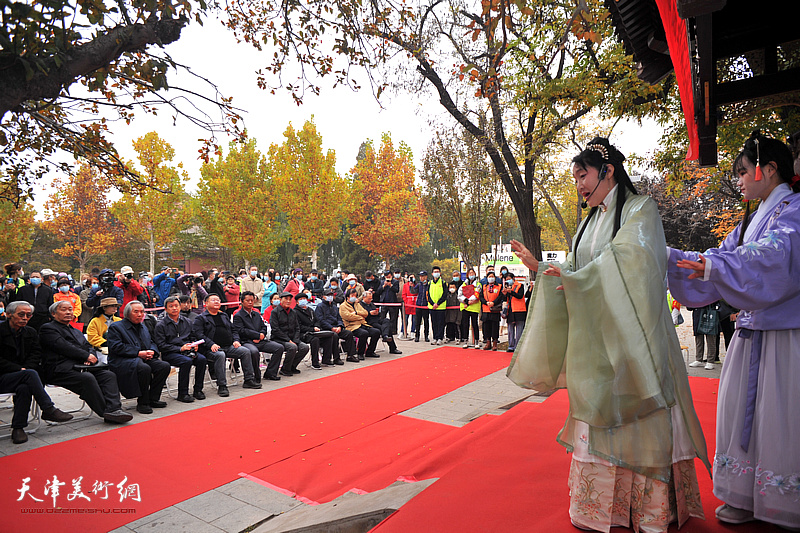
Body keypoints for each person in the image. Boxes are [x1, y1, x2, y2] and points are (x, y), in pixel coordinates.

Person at [508, 137, 709, 532]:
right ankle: (602, 509)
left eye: (583, 174)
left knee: (642, 412)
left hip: (638, 338)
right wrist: (544, 269)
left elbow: (632, 264)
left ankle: (647, 511)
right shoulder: (589, 222)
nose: (579, 184)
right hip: (600, 340)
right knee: (602, 413)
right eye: (575, 177)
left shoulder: (640, 209)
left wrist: (577, 279)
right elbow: (577, 269)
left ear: (607, 170)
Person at [668, 131, 800, 530]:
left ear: (770, 169)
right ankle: (745, 494)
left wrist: (713, 266)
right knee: (740, 415)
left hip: (784, 338)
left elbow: (775, 258)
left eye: (744, 172)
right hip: (749, 337)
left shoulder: (793, 211)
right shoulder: (749, 223)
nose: (740, 180)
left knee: (780, 419)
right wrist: (669, 257)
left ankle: (782, 498)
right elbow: (720, 259)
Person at [39, 301, 132, 424]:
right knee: (87, 378)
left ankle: (114, 408)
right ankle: (105, 411)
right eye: (63, 309)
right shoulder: (48, 328)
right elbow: (63, 346)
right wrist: (85, 356)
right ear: (53, 314)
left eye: (70, 309)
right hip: (60, 369)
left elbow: (88, 346)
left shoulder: (76, 331)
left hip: (82, 365)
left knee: (108, 375)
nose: (68, 312)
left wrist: (91, 355)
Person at [0, 301, 74, 444]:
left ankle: (18, 427)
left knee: (25, 386)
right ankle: (48, 408)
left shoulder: (31, 332)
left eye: (28, 315)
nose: (25, 318)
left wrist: (25, 368)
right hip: (4, 375)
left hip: (23, 375)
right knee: (30, 375)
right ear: (8, 314)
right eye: (21, 315)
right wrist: (19, 369)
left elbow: (36, 354)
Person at [107, 301, 171, 414]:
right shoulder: (116, 327)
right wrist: (138, 353)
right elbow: (116, 347)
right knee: (144, 368)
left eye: (142, 312)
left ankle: (153, 398)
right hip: (123, 360)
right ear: (127, 313)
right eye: (136, 312)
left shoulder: (143, 326)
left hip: (143, 357)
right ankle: (143, 402)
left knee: (164, 366)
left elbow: (151, 341)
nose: (140, 314)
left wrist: (152, 351)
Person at [193, 293, 259, 395]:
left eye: (218, 300)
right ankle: (222, 385)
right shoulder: (201, 318)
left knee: (245, 351)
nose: (216, 302)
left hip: (228, 346)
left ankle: (249, 380)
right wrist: (211, 344)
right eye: (213, 300)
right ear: (206, 303)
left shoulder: (223, 315)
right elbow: (199, 335)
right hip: (210, 349)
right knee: (220, 355)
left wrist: (236, 340)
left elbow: (234, 330)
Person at [155, 295, 208, 402]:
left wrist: (194, 344)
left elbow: (193, 336)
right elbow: (161, 345)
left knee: (202, 359)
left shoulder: (187, 321)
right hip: (171, 352)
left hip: (188, 349)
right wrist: (180, 349)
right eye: (171, 306)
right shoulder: (161, 325)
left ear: (180, 307)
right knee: (186, 361)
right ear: (165, 309)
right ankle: (183, 393)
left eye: (176, 306)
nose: (174, 308)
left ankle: (198, 390)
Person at [233, 291, 284, 382]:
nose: (250, 302)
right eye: (247, 300)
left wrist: (262, 335)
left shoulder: (256, 314)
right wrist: (256, 335)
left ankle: (270, 373)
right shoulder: (238, 316)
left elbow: (263, 326)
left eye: (252, 300)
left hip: (260, 340)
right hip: (247, 341)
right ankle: (255, 375)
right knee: (253, 351)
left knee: (279, 347)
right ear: (241, 301)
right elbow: (241, 330)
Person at [269, 291, 310, 376]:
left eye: (289, 299)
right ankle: (285, 369)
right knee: (292, 347)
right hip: (279, 339)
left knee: (304, 347)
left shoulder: (293, 312)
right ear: (281, 300)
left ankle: (292, 366)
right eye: (286, 299)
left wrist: (295, 339)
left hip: (292, 338)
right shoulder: (275, 312)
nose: (288, 301)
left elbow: (297, 328)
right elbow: (275, 329)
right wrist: (288, 340)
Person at [294, 292, 333, 369]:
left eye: (304, 299)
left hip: (314, 331)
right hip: (304, 333)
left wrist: (317, 326)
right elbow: (299, 326)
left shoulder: (310, 310)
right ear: (297, 302)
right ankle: (315, 362)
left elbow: (317, 320)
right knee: (315, 339)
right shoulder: (295, 312)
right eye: (301, 299)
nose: (303, 301)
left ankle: (326, 360)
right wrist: (312, 329)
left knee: (329, 336)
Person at [339, 288, 380, 359]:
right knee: (364, 333)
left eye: (355, 296)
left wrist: (357, 313)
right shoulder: (343, 306)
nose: (354, 297)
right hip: (352, 326)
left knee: (376, 332)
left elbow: (366, 313)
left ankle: (370, 351)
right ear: (348, 296)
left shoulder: (357, 304)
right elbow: (348, 317)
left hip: (362, 324)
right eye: (352, 295)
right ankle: (360, 353)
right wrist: (360, 317)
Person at [315, 287, 351, 365]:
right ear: (323, 297)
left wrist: (340, 326)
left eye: (331, 295)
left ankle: (351, 355)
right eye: (328, 295)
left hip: (336, 327)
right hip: (326, 328)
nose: (330, 297)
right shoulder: (320, 307)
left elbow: (339, 318)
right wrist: (331, 328)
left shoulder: (335, 307)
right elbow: (321, 320)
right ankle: (336, 358)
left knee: (348, 333)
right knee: (334, 336)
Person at [361, 290, 402, 354]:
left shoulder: (371, 304)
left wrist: (377, 312)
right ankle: (389, 343)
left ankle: (385, 336)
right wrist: (369, 313)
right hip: (369, 321)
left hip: (377, 319)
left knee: (386, 321)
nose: (370, 300)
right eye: (369, 299)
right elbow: (361, 315)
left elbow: (379, 314)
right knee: (385, 329)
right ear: (364, 297)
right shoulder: (360, 305)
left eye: (371, 299)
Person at [688, 302, 720, 370]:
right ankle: (698, 359)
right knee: (698, 338)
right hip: (698, 314)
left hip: (709, 312)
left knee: (711, 339)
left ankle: (710, 360)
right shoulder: (695, 292)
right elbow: (689, 306)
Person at [478, 271, 503, 350]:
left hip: (495, 309)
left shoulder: (499, 286)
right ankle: (488, 342)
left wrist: (493, 303)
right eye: (489, 277)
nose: (491, 278)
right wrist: (486, 302)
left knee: (495, 327)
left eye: (492, 276)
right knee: (486, 327)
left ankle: (495, 343)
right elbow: (481, 296)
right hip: (486, 309)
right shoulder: (484, 286)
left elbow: (500, 296)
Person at [503, 272, 526, 352]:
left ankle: (518, 346)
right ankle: (511, 346)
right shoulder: (506, 287)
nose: (508, 281)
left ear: (513, 279)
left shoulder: (520, 285)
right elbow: (505, 299)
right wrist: (505, 293)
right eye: (506, 280)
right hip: (510, 310)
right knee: (510, 329)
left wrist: (511, 292)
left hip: (519, 310)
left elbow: (519, 295)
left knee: (519, 330)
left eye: (509, 279)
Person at [458, 268, 481, 348]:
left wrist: (471, 301)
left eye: (472, 273)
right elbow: (459, 295)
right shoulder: (464, 284)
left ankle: (477, 341)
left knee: (475, 324)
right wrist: (466, 301)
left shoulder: (478, 284)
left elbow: (477, 294)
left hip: (474, 307)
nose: (471, 275)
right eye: (470, 273)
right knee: (465, 324)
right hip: (465, 307)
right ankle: (465, 340)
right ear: (467, 275)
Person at [426, 266, 447, 345]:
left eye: (438, 271)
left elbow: (445, 294)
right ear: (432, 273)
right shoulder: (429, 283)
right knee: (434, 322)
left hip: (440, 307)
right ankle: (435, 337)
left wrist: (438, 303)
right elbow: (428, 295)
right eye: (435, 272)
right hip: (432, 307)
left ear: (440, 273)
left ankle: (440, 338)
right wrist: (432, 303)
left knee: (441, 322)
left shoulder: (443, 283)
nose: (436, 273)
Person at [375, 270, 400, 336]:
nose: (387, 277)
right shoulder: (382, 282)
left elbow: (397, 290)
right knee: (382, 317)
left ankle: (393, 331)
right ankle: (382, 330)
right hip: (384, 302)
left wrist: (391, 286)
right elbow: (378, 291)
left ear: (391, 275)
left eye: (388, 276)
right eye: (386, 276)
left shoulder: (395, 282)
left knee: (393, 318)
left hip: (392, 302)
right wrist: (383, 286)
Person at [410, 271, 430, 342]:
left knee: (426, 321)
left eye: (422, 276)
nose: (421, 278)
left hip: (426, 305)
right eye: (420, 276)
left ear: (426, 276)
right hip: (418, 305)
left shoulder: (429, 284)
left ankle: (426, 336)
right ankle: (417, 336)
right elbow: (413, 292)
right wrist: (411, 285)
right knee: (417, 321)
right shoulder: (419, 284)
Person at [400, 273, 416, 340]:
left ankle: (413, 331)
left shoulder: (416, 285)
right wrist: (406, 301)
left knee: (414, 319)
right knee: (405, 318)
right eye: (410, 277)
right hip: (407, 303)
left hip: (414, 303)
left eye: (413, 277)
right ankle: (403, 331)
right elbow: (403, 294)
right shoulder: (405, 285)